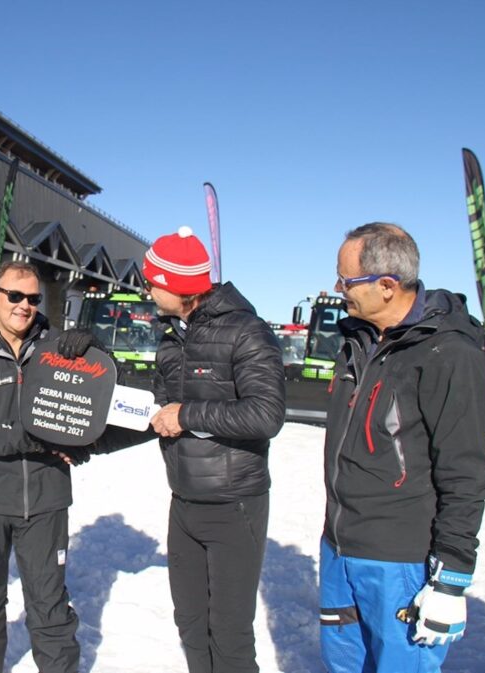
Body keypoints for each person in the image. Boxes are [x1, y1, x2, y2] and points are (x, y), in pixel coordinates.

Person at [320, 223, 485, 673]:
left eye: (345, 280)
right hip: (338, 549)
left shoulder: (448, 354)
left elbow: (465, 473)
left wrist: (451, 580)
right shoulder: (356, 341)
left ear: (387, 286)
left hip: (400, 563)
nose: (337, 289)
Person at [0, 260, 108, 673]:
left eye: (33, 298)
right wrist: (35, 438)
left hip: (46, 501)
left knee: (50, 609)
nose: (24, 305)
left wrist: (94, 346)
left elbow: (94, 404)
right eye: (15, 296)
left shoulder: (58, 353)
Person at [143, 226, 286, 673]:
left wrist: (187, 415)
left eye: (153, 281)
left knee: (229, 634)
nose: (147, 288)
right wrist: (87, 441)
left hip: (234, 505)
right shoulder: (171, 339)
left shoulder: (247, 332)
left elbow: (266, 415)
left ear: (178, 286)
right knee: (189, 624)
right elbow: (156, 415)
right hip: (183, 503)